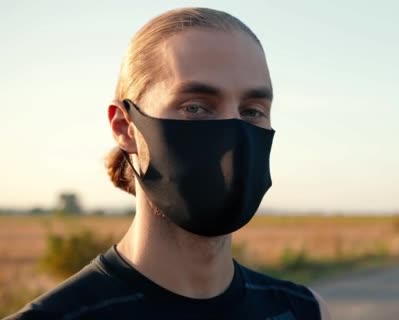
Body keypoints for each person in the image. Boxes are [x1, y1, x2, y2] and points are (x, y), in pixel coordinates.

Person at [7, 7, 330, 320]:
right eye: (195, 107)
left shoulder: (304, 310)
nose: (234, 131)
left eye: (252, 110)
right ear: (124, 127)